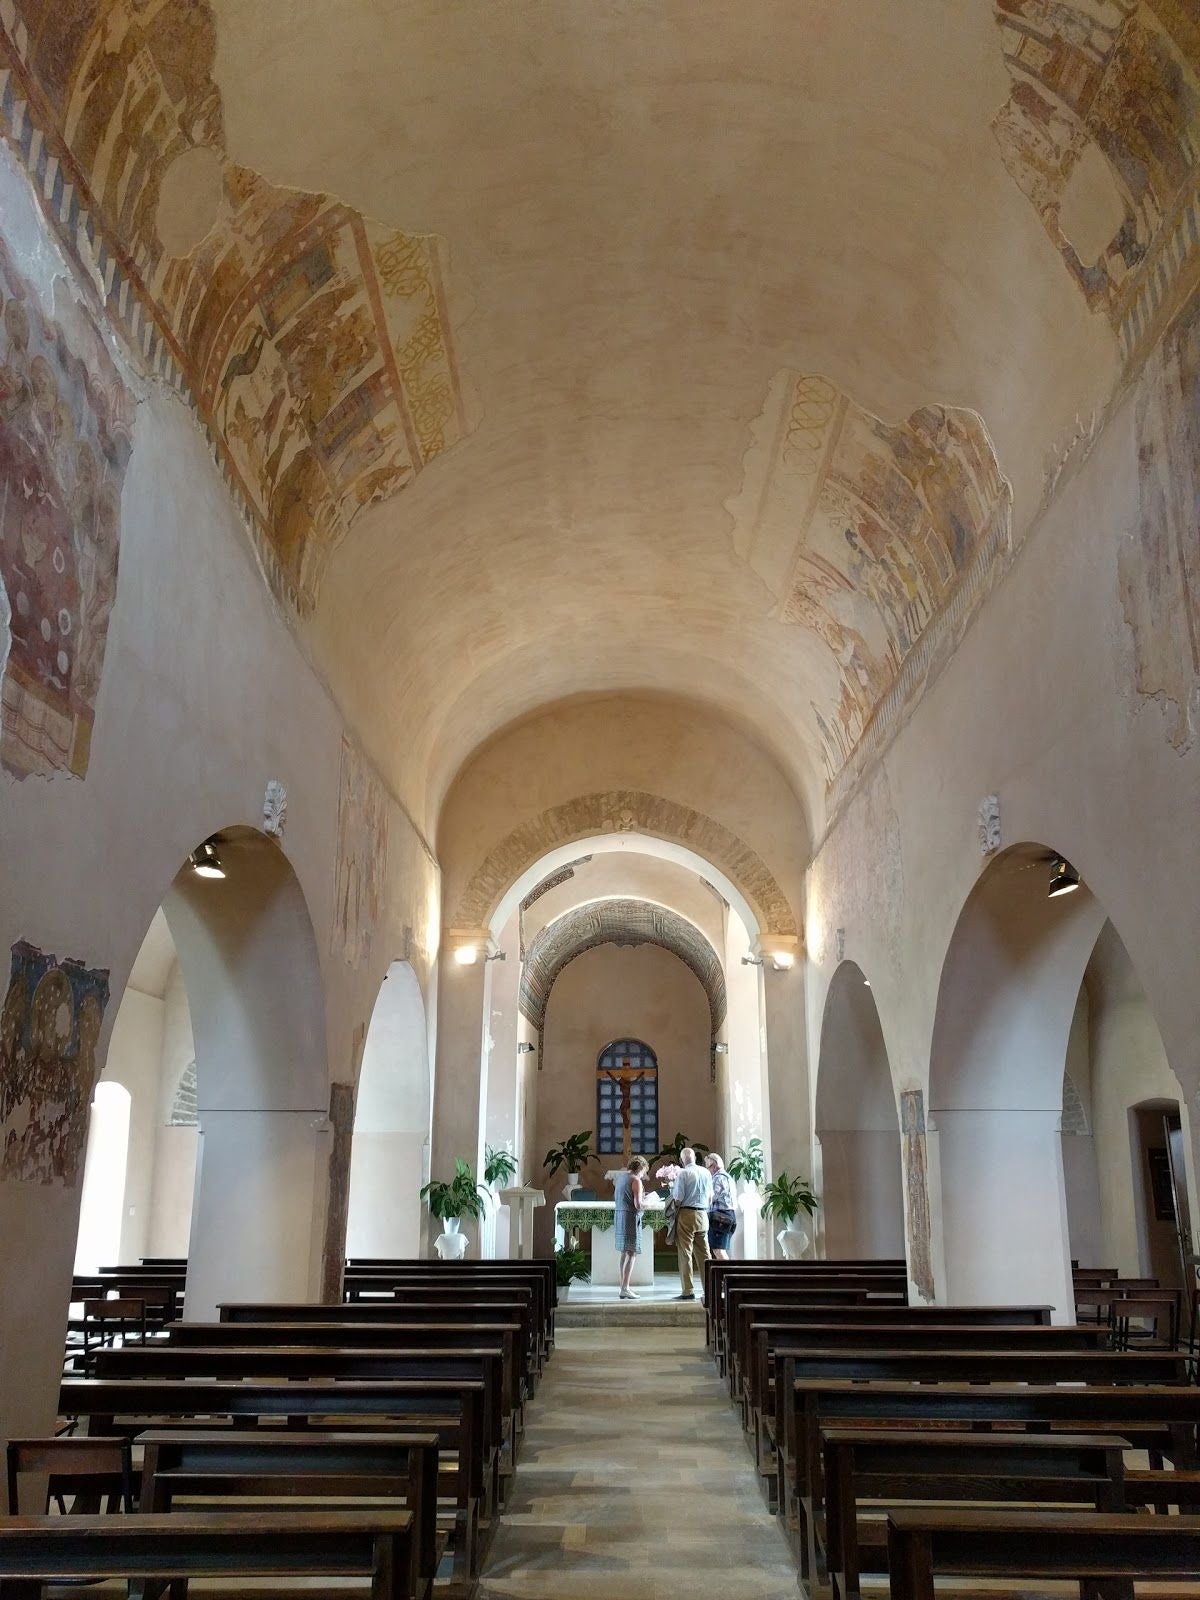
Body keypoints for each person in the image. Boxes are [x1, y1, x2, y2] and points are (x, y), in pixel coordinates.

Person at [671, 1147, 712, 1300]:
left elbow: (678, 1198)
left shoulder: (683, 1173)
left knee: (685, 1253)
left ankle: (688, 1290)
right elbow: (710, 1197)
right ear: (695, 1157)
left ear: (681, 1160)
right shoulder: (706, 1172)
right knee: (705, 1254)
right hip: (703, 1214)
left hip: (687, 1215)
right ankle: (709, 1289)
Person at [613, 1155, 649, 1300]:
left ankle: (623, 1286)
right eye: (644, 1171)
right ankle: (625, 1288)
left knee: (624, 1252)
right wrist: (650, 1203)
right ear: (640, 1167)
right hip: (630, 1218)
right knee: (632, 1253)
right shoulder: (636, 1180)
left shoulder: (621, 1178)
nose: (643, 1174)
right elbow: (638, 1205)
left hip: (620, 1215)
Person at [705, 1152, 737, 1260]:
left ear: (713, 1166)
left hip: (721, 1216)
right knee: (719, 1249)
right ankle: (724, 1275)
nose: (707, 1170)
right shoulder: (727, 1177)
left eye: (708, 1167)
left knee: (718, 1250)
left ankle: (728, 1276)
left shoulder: (718, 1178)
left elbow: (711, 1197)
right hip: (728, 1215)